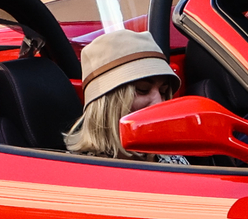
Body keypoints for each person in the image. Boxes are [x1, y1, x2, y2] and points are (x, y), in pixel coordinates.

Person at [63, 28, 185, 162]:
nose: (159, 103)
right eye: (142, 89)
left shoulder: (171, 156)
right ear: (107, 104)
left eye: (163, 92)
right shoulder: (80, 172)